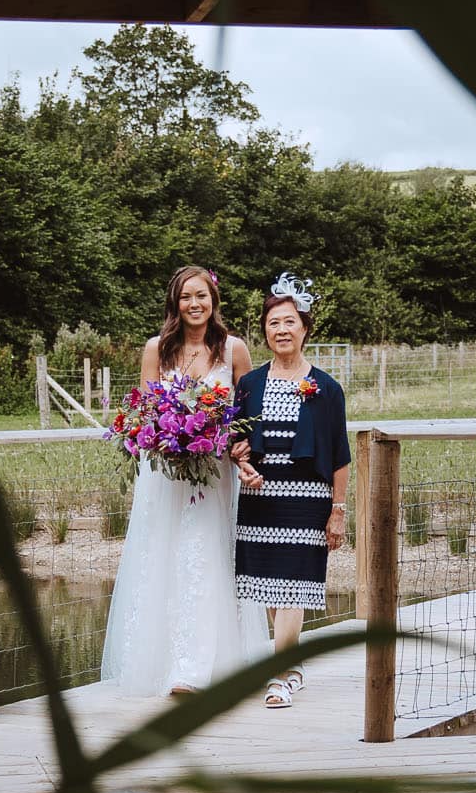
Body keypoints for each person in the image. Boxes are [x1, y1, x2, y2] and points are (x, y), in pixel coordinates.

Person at [98, 266, 271, 696]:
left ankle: (197, 669)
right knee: (163, 557)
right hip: (166, 476)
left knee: (206, 557)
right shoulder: (157, 349)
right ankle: (161, 663)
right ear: (175, 304)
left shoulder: (234, 350)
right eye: (185, 297)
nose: (195, 304)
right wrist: (166, 436)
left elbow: (251, 416)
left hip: (213, 476)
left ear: (214, 299)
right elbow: (145, 413)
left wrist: (235, 443)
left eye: (202, 296)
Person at [231, 274, 351, 709]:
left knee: (293, 587)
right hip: (260, 498)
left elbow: (341, 455)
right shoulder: (250, 384)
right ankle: (292, 665)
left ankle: (279, 676)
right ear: (265, 331)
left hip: (306, 500)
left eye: (289, 322)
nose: (280, 330)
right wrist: (241, 464)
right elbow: (235, 442)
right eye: (272, 323)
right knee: (268, 587)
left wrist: (337, 511)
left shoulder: (327, 389)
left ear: (304, 328)